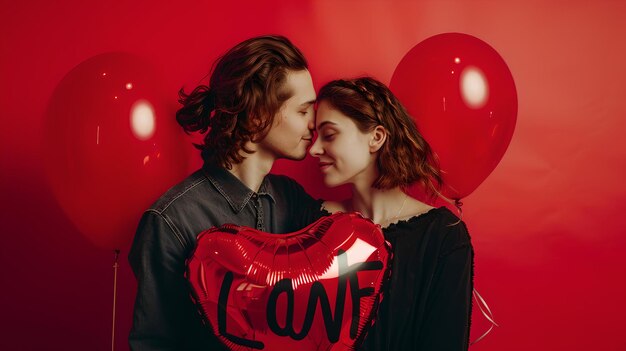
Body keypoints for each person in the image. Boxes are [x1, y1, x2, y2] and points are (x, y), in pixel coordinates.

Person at [128, 35, 325, 350]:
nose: (314, 123)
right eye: (303, 111)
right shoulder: (173, 222)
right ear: (259, 114)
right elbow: (154, 343)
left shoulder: (292, 200)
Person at [309, 77, 473, 350]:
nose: (313, 149)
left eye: (329, 135)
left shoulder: (442, 235)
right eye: (314, 136)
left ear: (376, 137)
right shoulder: (312, 220)